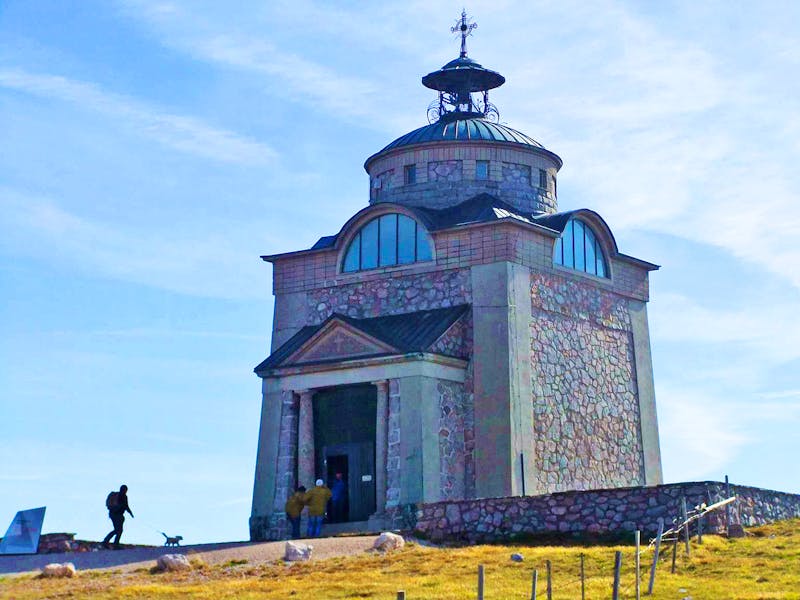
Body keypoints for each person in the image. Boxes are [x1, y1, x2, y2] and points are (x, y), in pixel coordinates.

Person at [102, 484, 134, 549]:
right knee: (118, 530)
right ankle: (112, 543)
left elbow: (126, 506)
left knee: (118, 530)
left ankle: (109, 542)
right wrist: (130, 513)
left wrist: (130, 513)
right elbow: (126, 506)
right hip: (117, 515)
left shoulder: (122, 496)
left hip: (115, 515)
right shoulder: (123, 496)